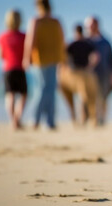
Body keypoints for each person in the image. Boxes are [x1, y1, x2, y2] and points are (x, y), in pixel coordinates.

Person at [23, 0, 65, 130]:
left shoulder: (36, 21)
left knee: (41, 89)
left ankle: (36, 119)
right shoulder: (56, 22)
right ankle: (50, 121)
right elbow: (62, 41)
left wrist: (26, 58)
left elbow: (31, 41)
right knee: (50, 90)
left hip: (40, 60)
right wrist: (62, 59)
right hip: (54, 59)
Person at [59, 24, 99, 126]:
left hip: (76, 73)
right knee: (88, 97)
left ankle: (79, 118)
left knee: (82, 96)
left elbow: (64, 59)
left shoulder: (72, 44)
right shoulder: (88, 44)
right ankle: (90, 118)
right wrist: (90, 67)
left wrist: (67, 68)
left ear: (75, 33)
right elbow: (96, 57)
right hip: (86, 72)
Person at [85, 16, 112, 125]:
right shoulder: (84, 42)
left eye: (93, 24)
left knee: (103, 97)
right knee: (86, 98)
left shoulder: (105, 42)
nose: (91, 27)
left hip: (104, 73)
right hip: (88, 75)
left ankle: (101, 119)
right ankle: (87, 119)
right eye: (89, 25)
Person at [0, 9, 27, 130]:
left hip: (7, 68)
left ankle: (12, 120)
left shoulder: (3, 37)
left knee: (10, 95)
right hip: (20, 68)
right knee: (24, 95)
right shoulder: (24, 36)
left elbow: (0, 55)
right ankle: (17, 119)